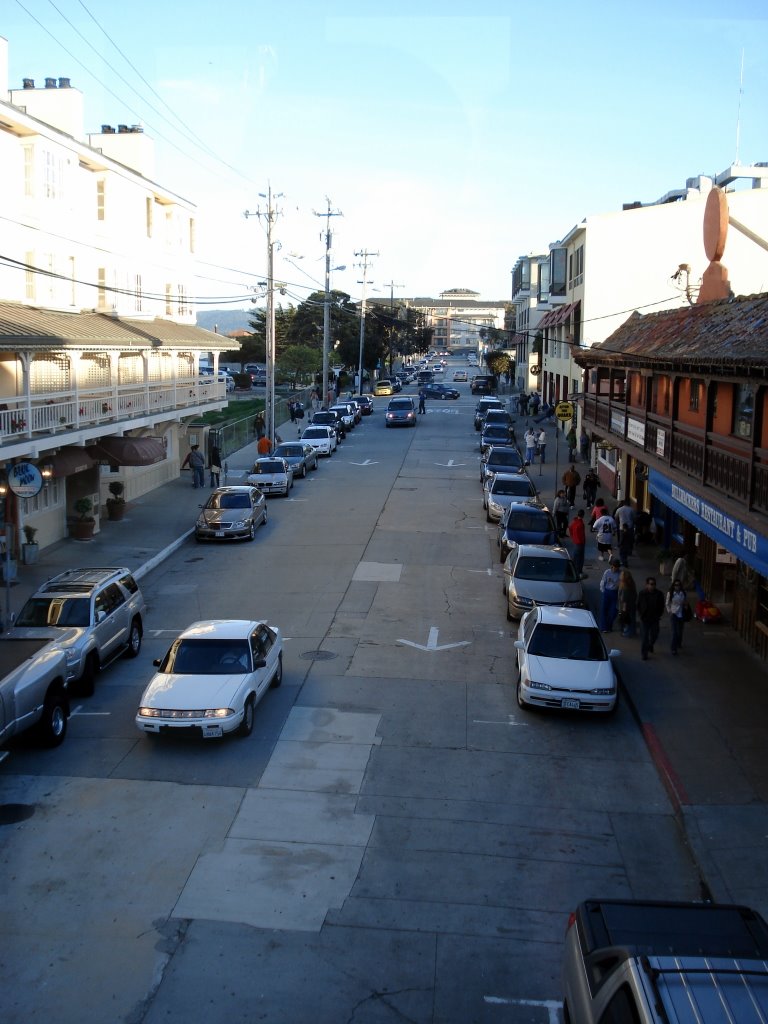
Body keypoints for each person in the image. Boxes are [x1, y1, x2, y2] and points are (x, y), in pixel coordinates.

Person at [637, 577, 666, 660]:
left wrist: (659, 614)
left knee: (655, 634)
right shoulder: (642, 593)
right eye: (651, 584)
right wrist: (640, 614)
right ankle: (644, 653)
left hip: (655, 618)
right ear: (647, 585)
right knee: (645, 637)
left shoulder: (659, 594)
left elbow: (661, 605)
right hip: (645, 619)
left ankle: (650, 645)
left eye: (654, 584)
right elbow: (638, 604)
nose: (653, 586)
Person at [665, 579, 689, 655]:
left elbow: (685, 602)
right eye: (675, 585)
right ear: (673, 586)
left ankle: (678, 643)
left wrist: (685, 606)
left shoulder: (683, 593)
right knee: (674, 632)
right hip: (674, 614)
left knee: (680, 632)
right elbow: (667, 603)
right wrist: (670, 611)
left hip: (681, 614)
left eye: (678, 585)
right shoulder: (671, 593)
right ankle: (673, 648)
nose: (677, 586)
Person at [599, 556, 622, 632]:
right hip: (607, 592)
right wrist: (603, 590)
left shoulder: (620, 574)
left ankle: (609, 625)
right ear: (612, 566)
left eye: (617, 567)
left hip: (615, 593)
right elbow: (603, 582)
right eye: (615, 567)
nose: (616, 569)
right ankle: (604, 627)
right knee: (604, 610)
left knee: (613, 611)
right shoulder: (607, 572)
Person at [567, 509, 587, 578]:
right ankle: (578, 572)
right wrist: (583, 541)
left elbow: (570, 528)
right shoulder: (581, 524)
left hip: (575, 542)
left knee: (575, 557)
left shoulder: (574, 522)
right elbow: (582, 535)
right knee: (580, 558)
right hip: (580, 543)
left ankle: (573, 570)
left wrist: (572, 537)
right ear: (583, 515)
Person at [618, 569, 637, 638]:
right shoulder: (631, 584)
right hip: (632, 605)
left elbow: (624, 599)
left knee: (626, 620)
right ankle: (632, 631)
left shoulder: (625, 587)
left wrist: (623, 610)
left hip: (626, 607)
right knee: (631, 619)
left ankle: (627, 633)